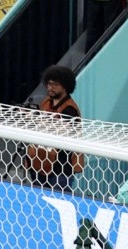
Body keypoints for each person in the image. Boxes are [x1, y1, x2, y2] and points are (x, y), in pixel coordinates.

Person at [25, 65, 84, 194]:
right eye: (49, 84)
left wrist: (38, 122)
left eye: (54, 85)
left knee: (58, 198)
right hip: (40, 162)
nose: (50, 88)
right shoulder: (46, 102)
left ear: (65, 86)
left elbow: (60, 135)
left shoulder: (70, 109)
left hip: (60, 167)